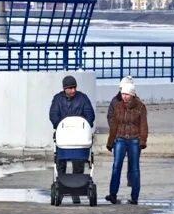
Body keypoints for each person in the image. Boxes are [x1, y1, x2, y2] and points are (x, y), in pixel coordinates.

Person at [49, 75, 95, 203]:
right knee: (60, 163)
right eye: (70, 88)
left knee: (79, 163)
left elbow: (89, 114)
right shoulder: (58, 99)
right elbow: (53, 114)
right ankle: (62, 187)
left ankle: (76, 189)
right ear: (64, 89)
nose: (73, 90)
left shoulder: (83, 98)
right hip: (63, 135)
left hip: (79, 136)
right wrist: (61, 126)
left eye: (74, 87)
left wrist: (84, 125)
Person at [105, 79, 148, 205]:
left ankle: (134, 197)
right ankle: (113, 194)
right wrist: (110, 141)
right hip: (120, 139)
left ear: (133, 95)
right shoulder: (118, 106)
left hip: (134, 139)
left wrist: (143, 140)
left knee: (135, 168)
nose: (124, 96)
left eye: (127, 94)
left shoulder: (140, 107)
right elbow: (114, 125)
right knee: (116, 166)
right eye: (123, 94)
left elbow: (143, 125)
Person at [108, 76, 135, 188]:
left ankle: (131, 180)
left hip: (131, 136)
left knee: (131, 163)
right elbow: (110, 117)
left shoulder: (135, 101)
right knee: (117, 164)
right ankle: (115, 188)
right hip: (119, 136)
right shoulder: (115, 101)